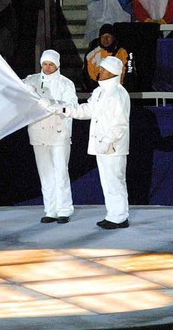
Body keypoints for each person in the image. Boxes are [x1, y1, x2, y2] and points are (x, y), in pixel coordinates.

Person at [56, 56, 131, 229]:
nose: (100, 71)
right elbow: (87, 110)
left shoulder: (118, 94)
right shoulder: (100, 92)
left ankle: (119, 216)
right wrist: (64, 109)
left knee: (115, 181)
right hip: (102, 145)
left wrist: (107, 141)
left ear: (113, 72)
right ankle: (114, 214)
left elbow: (120, 124)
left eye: (104, 69)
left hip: (113, 147)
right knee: (107, 181)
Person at [24, 50, 78, 224]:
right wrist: (25, 91)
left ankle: (64, 209)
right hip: (38, 132)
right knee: (45, 173)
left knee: (60, 171)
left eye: (51, 64)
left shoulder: (65, 83)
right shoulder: (31, 80)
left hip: (59, 132)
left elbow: (72, 105)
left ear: (58, 65)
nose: (47, 68)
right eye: (45, 64)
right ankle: (50, 210)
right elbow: (14, 91)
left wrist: (53, 104)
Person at [84, 24, 129, 91]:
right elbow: (88, 77)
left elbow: (127, 73)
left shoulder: (122, 52)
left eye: (108, 36)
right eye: (103, 36)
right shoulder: (92, 54)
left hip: (118, 90)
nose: (105, 39)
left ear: (114, 37)